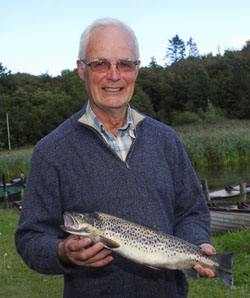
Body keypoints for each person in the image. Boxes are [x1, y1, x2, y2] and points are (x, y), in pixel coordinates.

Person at [15, 18, 215, 298]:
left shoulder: (166, 139)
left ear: (137, 69)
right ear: (81, 70)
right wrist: (62, 252)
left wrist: (196, 244)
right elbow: (30, 238)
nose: (114, 75)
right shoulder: (51, 152)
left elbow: (191, 212)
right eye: (100, 64)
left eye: (124, 64)